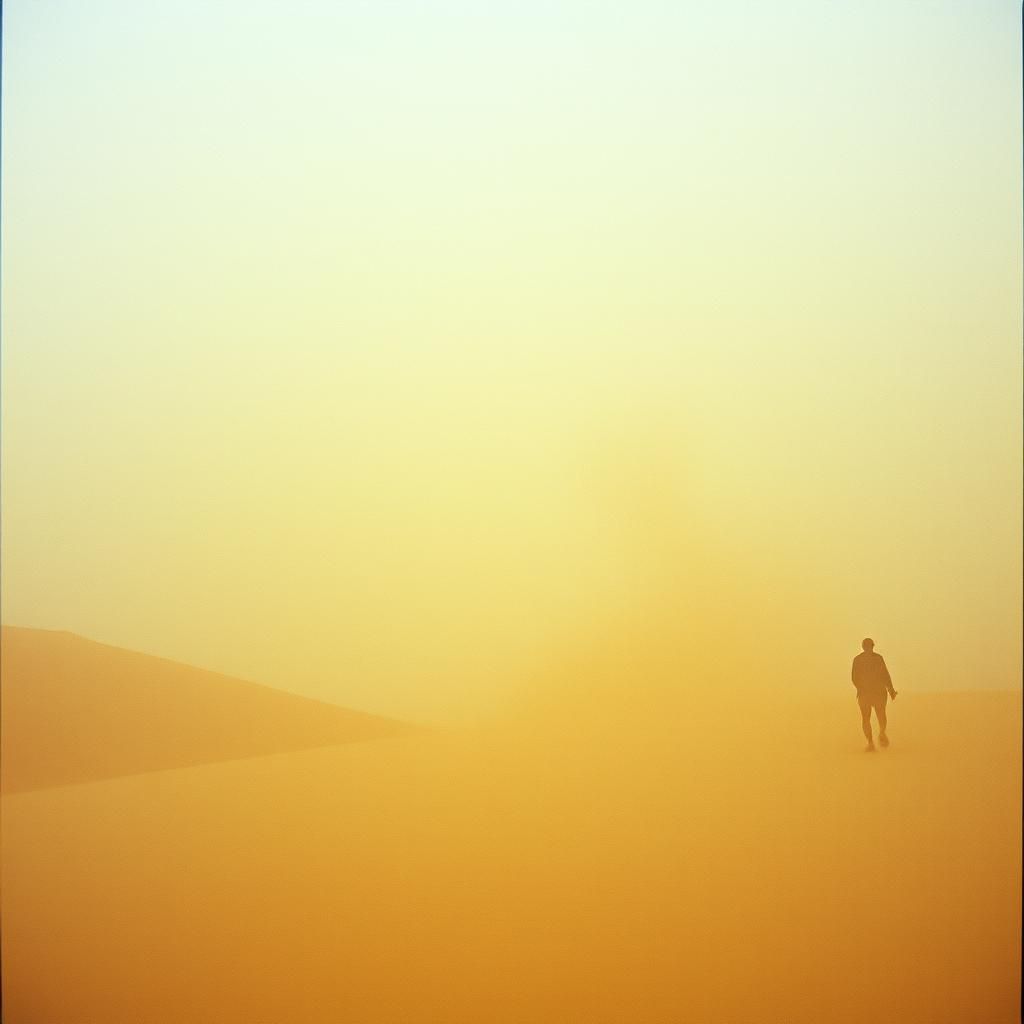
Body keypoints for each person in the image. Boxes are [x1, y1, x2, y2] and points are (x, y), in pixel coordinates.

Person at [851, 638, 897, 752]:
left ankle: (870, 743)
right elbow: (885, 675)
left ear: (862, 646)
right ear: (873, 646)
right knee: (880, 715)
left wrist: (860, 688)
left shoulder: (857, 660)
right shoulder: (878, 658)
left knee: (866, 718)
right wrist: (891, 690)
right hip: (878, 692)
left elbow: (854, 678)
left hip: (866, 693)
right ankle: (881, 732)